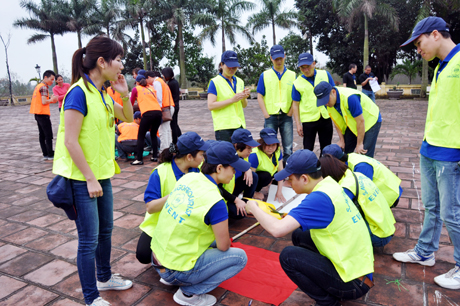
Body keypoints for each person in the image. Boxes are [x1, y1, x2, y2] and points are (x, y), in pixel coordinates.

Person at [52, 35, 134, 306]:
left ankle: (104, 277)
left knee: (106, 230)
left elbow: (128, 117)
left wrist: (124, 93)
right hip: (81, 178)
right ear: (102, 62)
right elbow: (70, 141)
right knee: (88, 240)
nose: (122, 65)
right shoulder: (78, 93)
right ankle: (91, 297)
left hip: (102, 173)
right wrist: (88, 178)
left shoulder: (101, 94)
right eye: (119, 60)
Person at [245, 149, 374, 306]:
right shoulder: (328, 184)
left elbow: (277, 230)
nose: (288, 184)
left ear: (304, 178)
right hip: (360, 270)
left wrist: (253, 207)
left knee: (288, 256)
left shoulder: (319, 199)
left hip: (353, 282)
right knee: (299, 234)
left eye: (290, 180)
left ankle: (327, 301)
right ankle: (327, 280)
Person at [392, 16, 460, 290]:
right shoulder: (440, 68)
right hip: (430, 146)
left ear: (435, 35)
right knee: (431, 207)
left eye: (419, 44)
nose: (418, 50)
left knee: (451, 212)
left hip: (450, 151)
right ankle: (425, 252)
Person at [150, 141, 249, 306]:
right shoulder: (216, 201)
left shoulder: (188, 177)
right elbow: (224, 247)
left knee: (208, 238)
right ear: (218, 168)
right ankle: (189, 293)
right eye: (232, 168)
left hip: (156, 259)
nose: (234, 172)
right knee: (239, 257)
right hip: (173, 270)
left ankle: (174, 277)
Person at [136, 132, 209, 266]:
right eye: (201, 154)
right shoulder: (160, 172)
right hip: (160, 224)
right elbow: (151, 208)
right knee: (143, 254)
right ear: (189, 157)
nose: (203, 158)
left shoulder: (197, 170)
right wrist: (177, 194)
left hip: (186, 222)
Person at [320, 154, 396, 247]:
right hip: (387, 228)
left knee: (335, 227)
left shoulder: (346, 188)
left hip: (379, 236)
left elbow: (333, 211)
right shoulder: (355, 174)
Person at [314, 81, 382, 158]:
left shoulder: (350, 98)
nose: (325, 103)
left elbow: (360, 121)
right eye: (322, 101)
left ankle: (363, 168)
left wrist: (359, 144)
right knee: (345, 150)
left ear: (333, 92)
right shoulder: (327, 103)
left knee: (364, 153)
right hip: (353, 121)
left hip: (370, 119)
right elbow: (336, 121)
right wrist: (342, 140)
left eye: (326, 100)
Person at [322, 144, 403, 208]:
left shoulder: (361, 167)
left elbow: (363, 192)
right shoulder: (349, 158)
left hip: (390, 196)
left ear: (337, 162)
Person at [256, 45, 296, 161]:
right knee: (268, 146)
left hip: (286, 116)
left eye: (280, 58)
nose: (278, 61)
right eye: (275, 59)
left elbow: (295, 97)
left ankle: (288, 172)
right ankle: (270, 170)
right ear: (271, 58)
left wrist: (290, 112)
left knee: (288, 147)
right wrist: (265, 114)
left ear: (284, 56)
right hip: (270, 116)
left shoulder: (292, 75)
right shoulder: (265, 75)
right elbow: (260, 95)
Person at [292, 52, 334, 154]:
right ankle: (308, 169)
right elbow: (295, 104)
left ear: (314, 63)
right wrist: (298, 124)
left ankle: (324, 168)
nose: (306, 70)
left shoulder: (325, 74)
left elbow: (334, 92)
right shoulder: (297, 83)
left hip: (325, 116)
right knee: (307, 149)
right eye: (302, 68)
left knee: (326, 148)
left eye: (308, 66)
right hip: (308, 120)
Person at [208, 50, 250, 142]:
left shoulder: (240, 81)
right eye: (229, 66)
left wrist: (244, 97)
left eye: (234, 67)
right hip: (224, 128)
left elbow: (244, 105)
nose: (232, 69)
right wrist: (232, 100)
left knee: (240, 155)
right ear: (222, 65)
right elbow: (211, 105)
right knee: (226, 155)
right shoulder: (215, 82)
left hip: (240, 125)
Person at [218, 128, 261, 219]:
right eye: (248, 148)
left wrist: (247, 169)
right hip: (221, 196)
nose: (251, 151)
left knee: (253, 176)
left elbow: (244, 165)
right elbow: (218, 188)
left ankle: (247, 202)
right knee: (238, 214)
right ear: (237, 146)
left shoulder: (240, 156)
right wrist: (236, 200)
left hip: (232, 191)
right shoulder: (224, 160)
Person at [129, 72, 162, 165]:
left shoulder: (136, 89)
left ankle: (139, 159)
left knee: (141, 136)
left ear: (137, 82)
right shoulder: (151, 88)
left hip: (148, 114)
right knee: (153, 134)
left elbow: (130, 103)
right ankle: (155, 156)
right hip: (158, 113)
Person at [249, 128, 286, 203]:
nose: (271, 148)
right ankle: (256, 190)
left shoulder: (277, 150)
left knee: (284, 165)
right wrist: (252, 193)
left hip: (271, 171)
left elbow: (280, 172)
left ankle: (273, 184)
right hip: (258, 176)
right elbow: (249, 178)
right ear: (261, 143)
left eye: (273, 145)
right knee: (265, 176)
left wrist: (279, 191)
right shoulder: (255, 154)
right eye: (267, 145)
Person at [30, 70, 58, 161]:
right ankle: (50, 154)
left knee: (42, 135)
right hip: (43, 114)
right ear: (45, 77)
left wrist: (49, 99)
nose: (52, 81)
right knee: (48, 135)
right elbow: (44, 101)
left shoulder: (38, 86)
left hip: (37, 113)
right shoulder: (44, 88)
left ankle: (45, 153)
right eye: (51, 79)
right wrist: (52, 100)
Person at [148, 71, 175, 151]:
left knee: (163, 130)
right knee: (166, 130)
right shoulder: (161, 81)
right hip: (169, 107)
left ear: (149, 77)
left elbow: (158, 98)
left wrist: (157, 110)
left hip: (164, 109)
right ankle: (169, 149)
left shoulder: (157, 83)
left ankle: (163, 150)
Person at [162, 67, 182, 144]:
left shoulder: (170, 84)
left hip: (173, 105)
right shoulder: (175, 82)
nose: (163, 77)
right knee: (175, 124)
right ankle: (180, 137)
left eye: (164, 75)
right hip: (176, 105)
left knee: (173, 125)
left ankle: (175, 141)